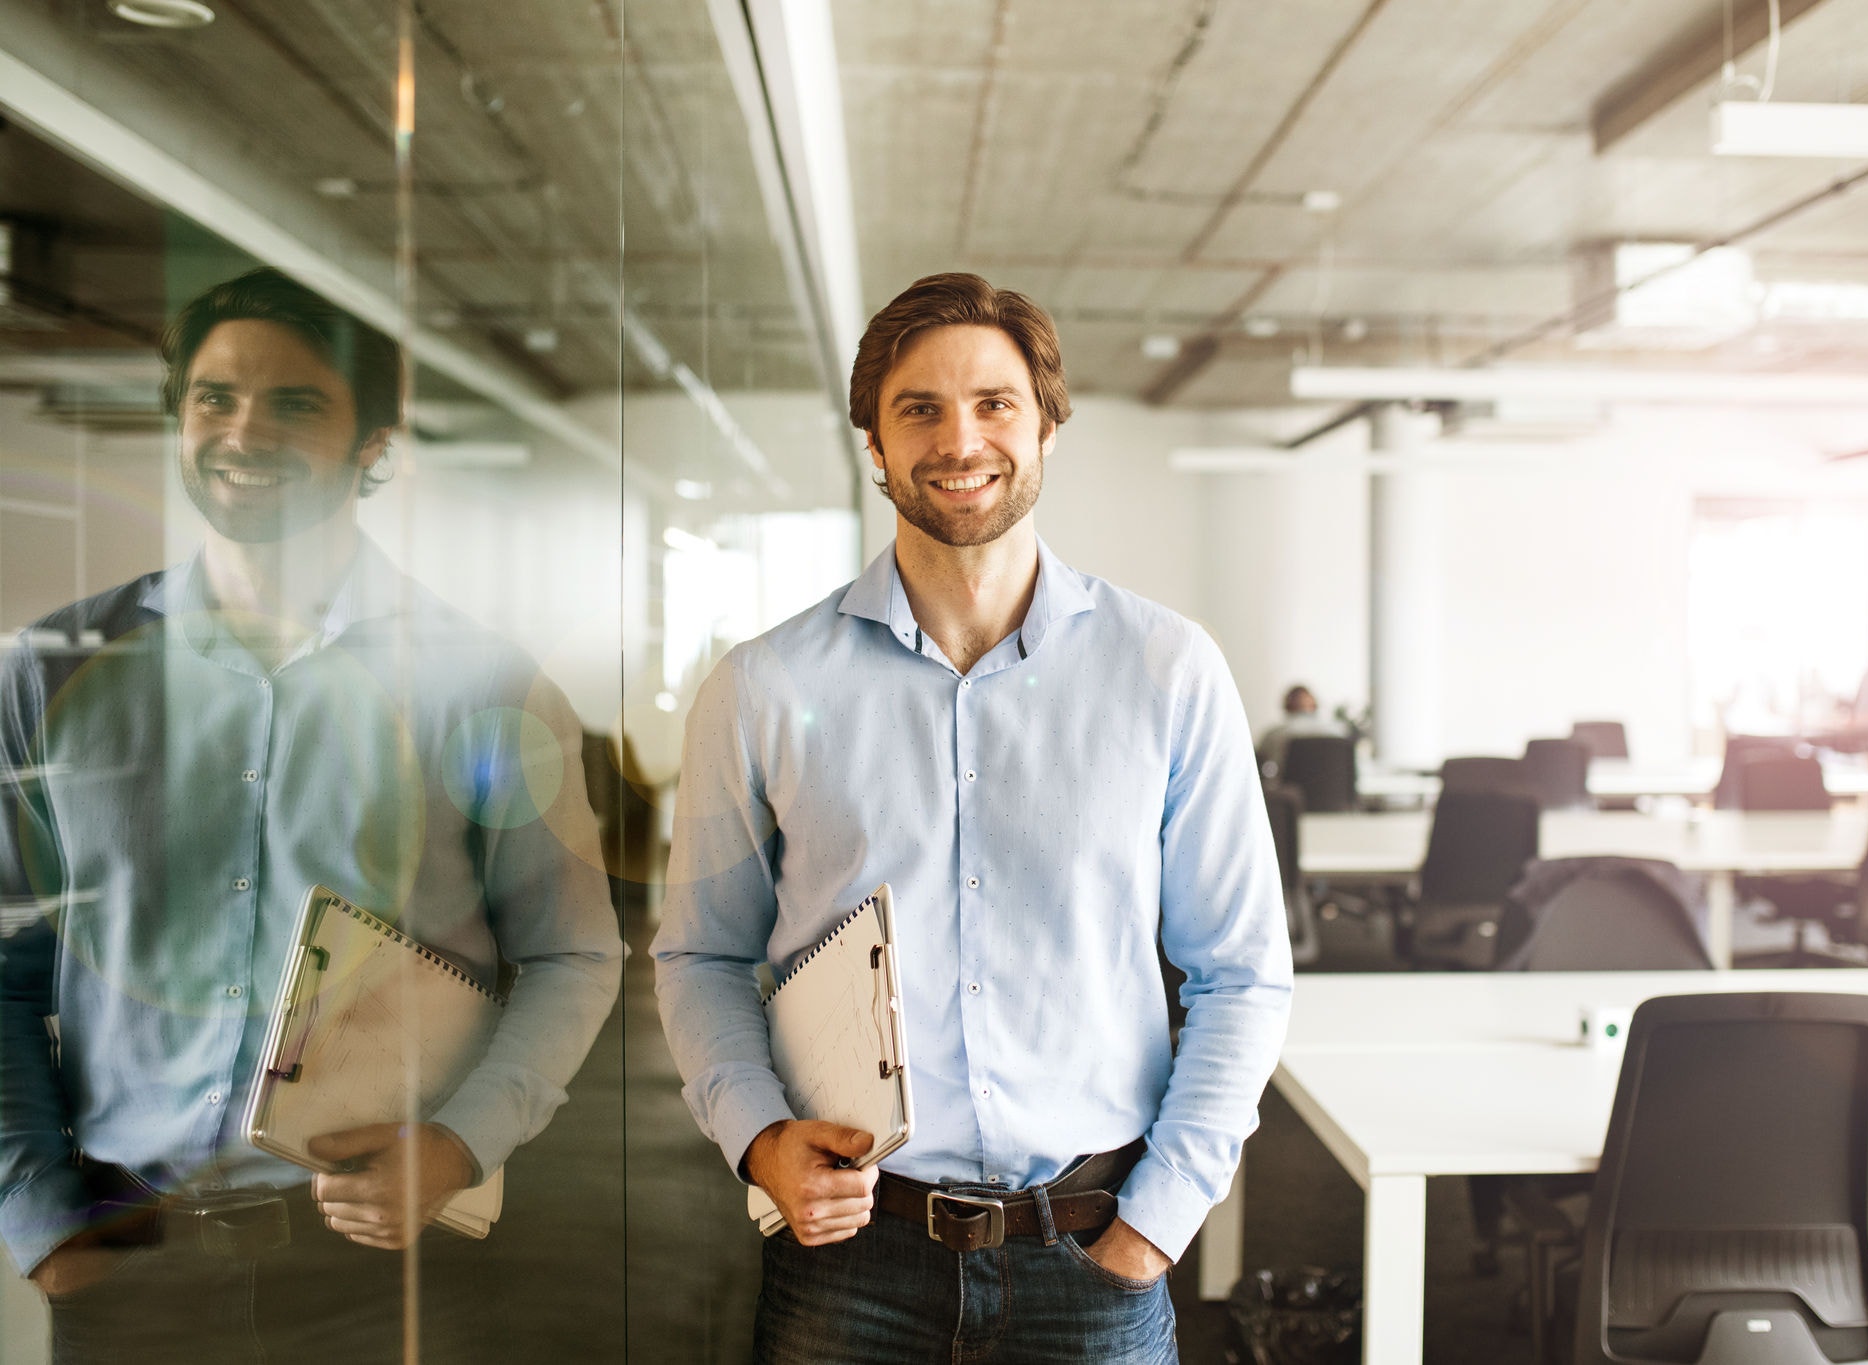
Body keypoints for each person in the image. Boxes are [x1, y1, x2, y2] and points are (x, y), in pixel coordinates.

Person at [654, 272, 1292, 1362]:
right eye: (919, 408)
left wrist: (1161, 1218)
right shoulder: (760, 686)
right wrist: (760, 1139)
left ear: (1045, 427)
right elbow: (703, 956)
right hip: (851, 1259)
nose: (960, 438)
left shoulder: (1165, 669)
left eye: (994, 403)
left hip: (1094, 1247)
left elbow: (1239, 970)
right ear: (874, 444)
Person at [0, 268, 622, 1361]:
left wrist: (456, 1145)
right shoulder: (46, 675)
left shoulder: (482, 682)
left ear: (372, 443)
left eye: (295, 403)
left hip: (386, 1271)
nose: (244, 431)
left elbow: (572, 952)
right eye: (214, 397)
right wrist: (39, 1219)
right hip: (121, 1260)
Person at [1254, 683, 1350, 780]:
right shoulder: (1338, 733)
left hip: (1290, 792)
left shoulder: (1274, 735)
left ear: (1287, 706)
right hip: (1334, 792)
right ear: (1314, 705)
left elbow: (1258, 765)